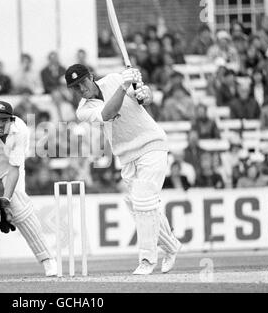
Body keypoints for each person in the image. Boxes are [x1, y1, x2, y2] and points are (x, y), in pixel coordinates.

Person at [65, 63, 181, 275]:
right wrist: (125, 84)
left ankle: (147, 260)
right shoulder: (83, 109)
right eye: (75, 87)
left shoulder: (113, 79)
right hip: (126, 156)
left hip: (151, 143)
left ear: (91, 77)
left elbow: (145, 99)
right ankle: (172, 246)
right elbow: (108, 113)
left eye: (82, 82)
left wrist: (144, 93)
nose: (81, 89)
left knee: (144, 200)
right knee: (138, 204)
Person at [0, 100, 57, 279]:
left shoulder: (21, 130)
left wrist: (5, 202)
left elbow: (14, 169)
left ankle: (48, 261)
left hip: (10, 166)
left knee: (19, 205)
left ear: (11, 120)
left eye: (4, 120)